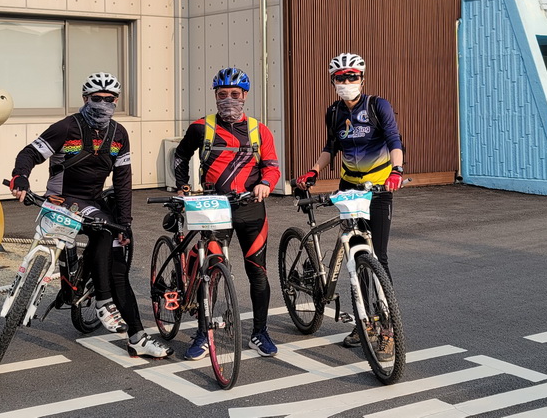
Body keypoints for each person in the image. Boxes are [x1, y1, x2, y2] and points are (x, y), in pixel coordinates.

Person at [10, 72, 172, 359]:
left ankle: (136, 336)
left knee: (116, 260)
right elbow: (29, 154)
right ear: (85, 99)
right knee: (101, 229)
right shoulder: (66, 127)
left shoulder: (119, 134)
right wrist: (20, 178)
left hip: (94, 203)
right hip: (62, 199)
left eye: (110, 100)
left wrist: (125, 223)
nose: (103, 104)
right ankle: (102, 299)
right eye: (97, 99)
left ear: (116, 101)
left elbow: (123, 181)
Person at [294, 52, 405, 349]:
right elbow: (331, 146)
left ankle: (387, 326)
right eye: (340, 78)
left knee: (377, 256)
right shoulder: (333, 112)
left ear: (362, 79)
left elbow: (394, 139)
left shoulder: (377, 106)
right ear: (333, 82)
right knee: (356, 255)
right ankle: (363, 321)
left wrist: (396, 171)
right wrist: (314, 171)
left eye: (352, 76)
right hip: (349, 188)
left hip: (378, 189)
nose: (346, 82)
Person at [172, 67, 281, 359]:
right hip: (213, 210)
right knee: (210, 272)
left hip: (251, 209)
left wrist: (266, 184)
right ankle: (202, 334)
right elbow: (181, 155)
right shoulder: (201, 127)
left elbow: (271, 166)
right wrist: (183, 186)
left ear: (245, 96)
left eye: (234, 94)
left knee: (257, 273)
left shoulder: (260, 130)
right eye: (222, 94)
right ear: (215, 96)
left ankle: (260, 333)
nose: (228, 99)